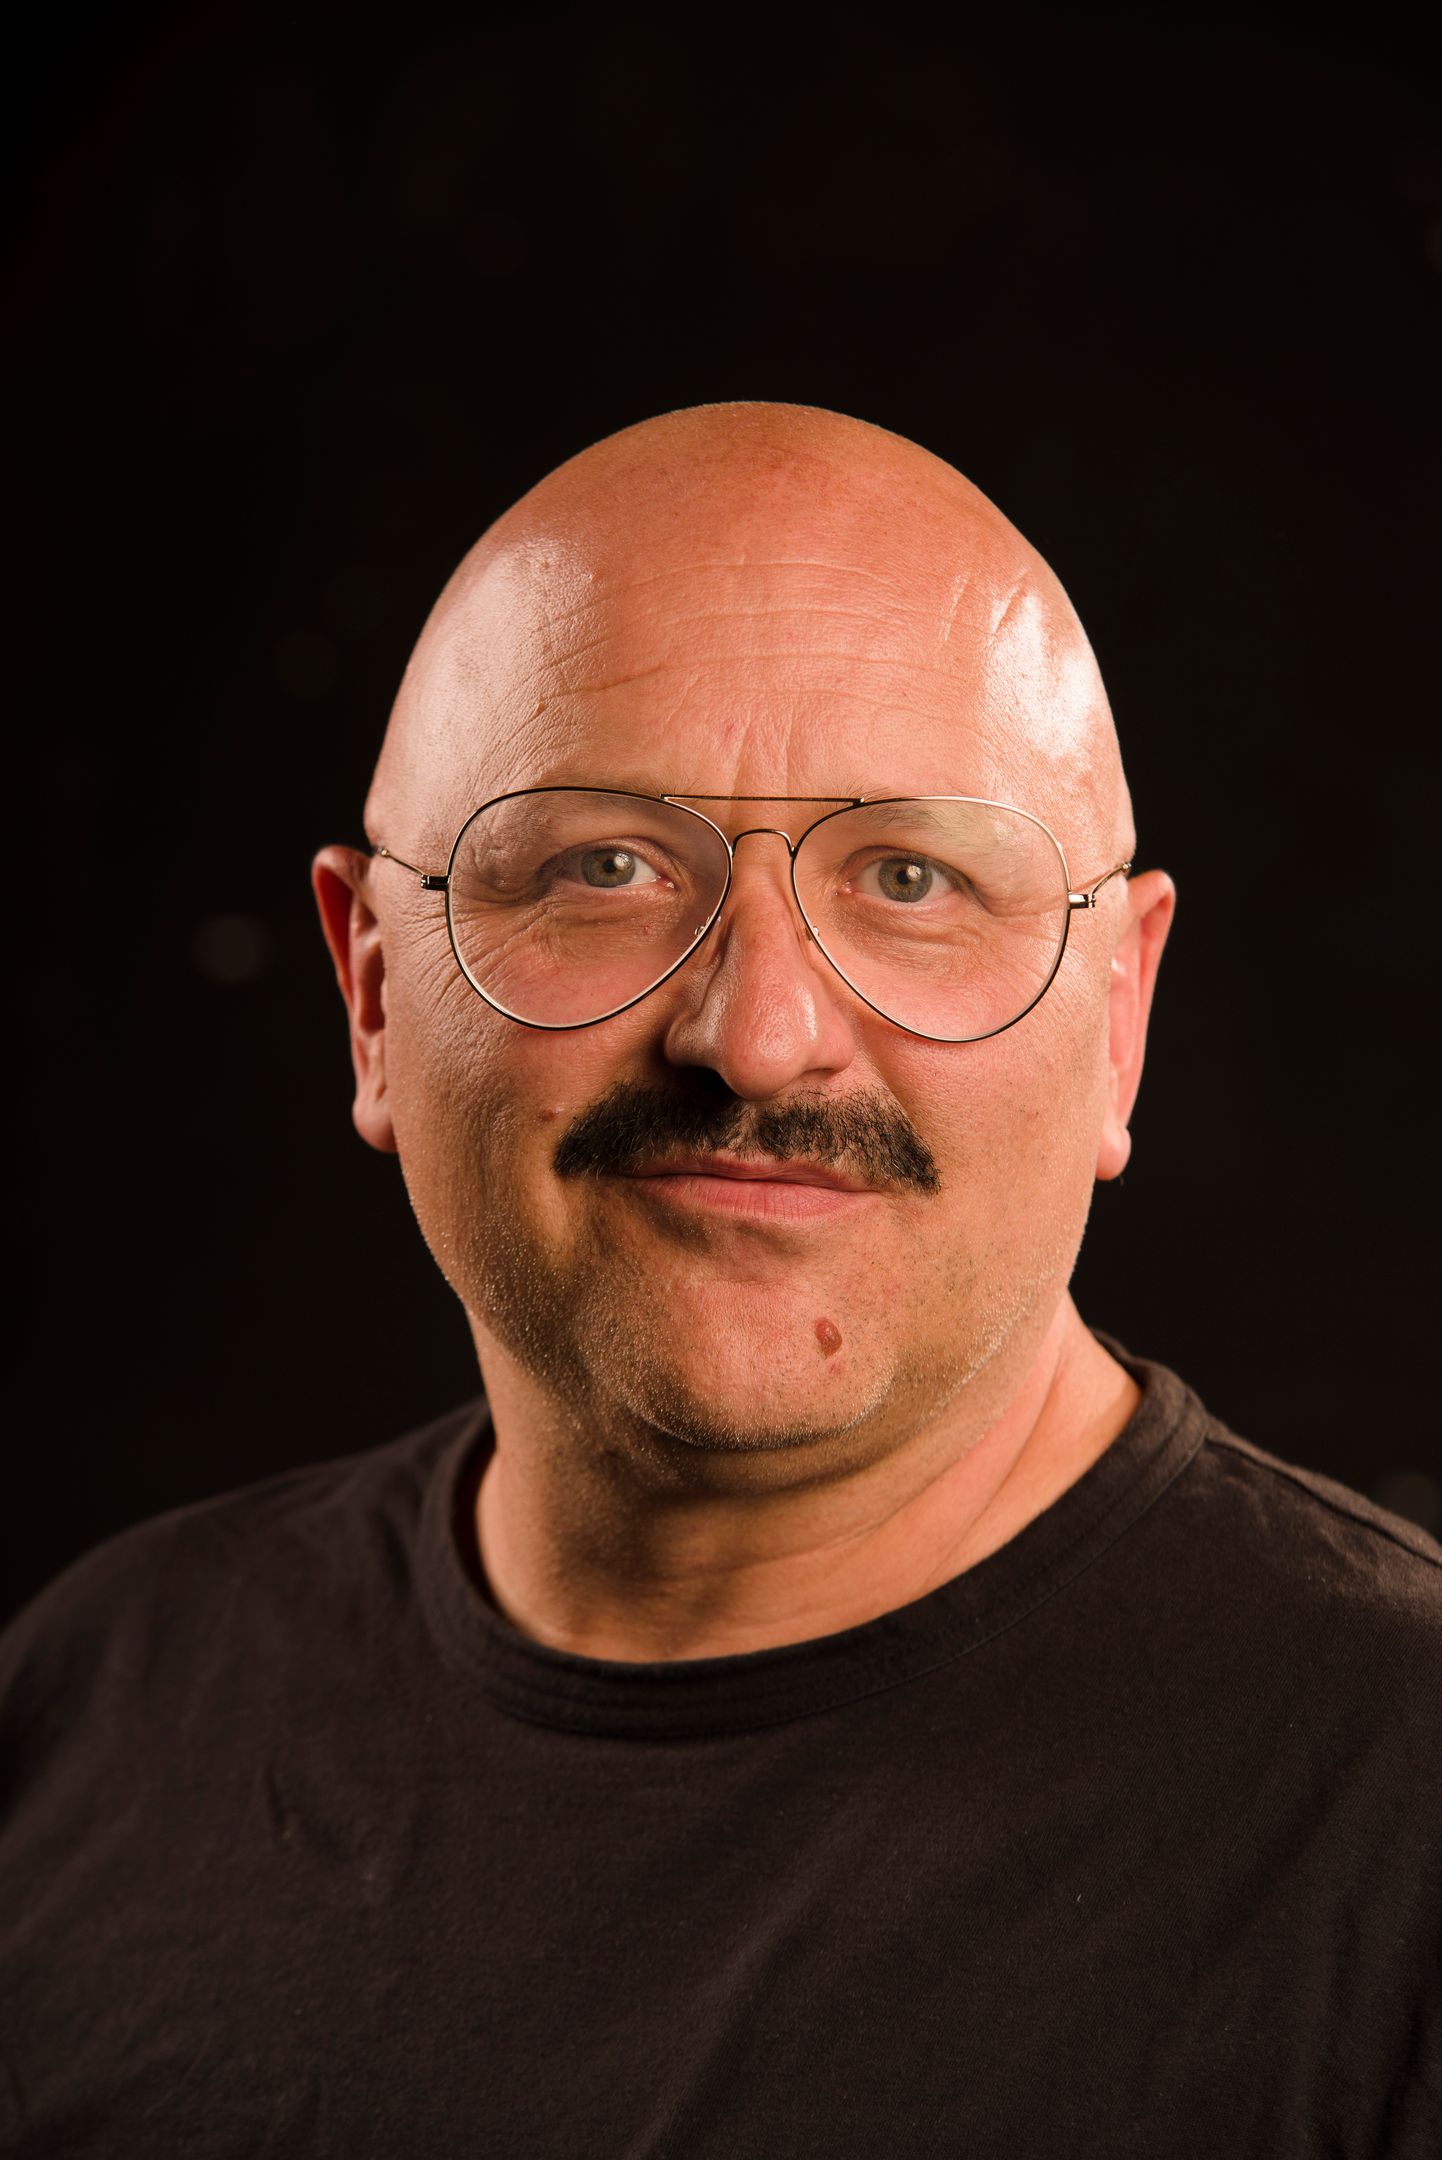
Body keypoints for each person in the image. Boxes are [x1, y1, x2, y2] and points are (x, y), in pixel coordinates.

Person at [2, 403, 1438, 2158]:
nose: (755, 1036)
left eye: (912, 878)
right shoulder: (98, 1710)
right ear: (372, 993)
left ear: (1119, 1019)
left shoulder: (1399, 1828)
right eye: (602, 868)